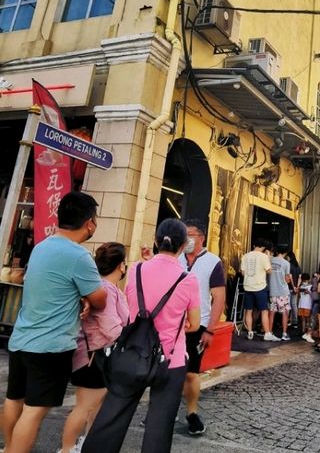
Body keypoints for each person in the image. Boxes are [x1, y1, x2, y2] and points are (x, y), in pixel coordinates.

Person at [82, 219, 200, 453]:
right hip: (170, 360)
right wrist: (177, 324)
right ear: (183, 245)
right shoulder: (188, 280)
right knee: (159, 426)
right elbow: (194, 324)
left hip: (132, 353)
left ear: (156, 241)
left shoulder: (135, 269)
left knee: (112, 417)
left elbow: (135, 305)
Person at [3, 192, 106, 453]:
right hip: (50, 347)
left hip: (21, 339)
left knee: (14, 401)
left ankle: (8, 447)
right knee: (33, 412)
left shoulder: (41, 246)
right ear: (89, 223)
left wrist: (78, 296)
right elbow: (101, 299)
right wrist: (86, 297)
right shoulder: (79, 256)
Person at [61, 242, 129, 453]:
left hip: (96, 356)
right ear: (121, 265)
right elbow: (112, 329)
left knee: (94, 408)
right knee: (85, 407)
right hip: (93, 357)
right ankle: (67, 449)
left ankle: (85, 445)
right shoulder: (105, 289)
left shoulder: (105, 287)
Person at [178, 218, 226, 437]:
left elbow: (218, 298)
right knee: (165, 371)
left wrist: (210, 329)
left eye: (191, 234)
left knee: (191, 372)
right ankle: (162, 410)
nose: (186, 239)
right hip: (171, 324)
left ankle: (191, 412)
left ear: (202, 237)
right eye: (183, 234)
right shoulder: (175, 257)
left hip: (197, 326)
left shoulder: (213, 262)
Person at [240, 239, 278, 342]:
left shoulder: (245, 256)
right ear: (263, 247)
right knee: (264, 311)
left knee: (248, 311)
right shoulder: (264, 257)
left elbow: (242, 272)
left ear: (254, 245)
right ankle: (267, 333)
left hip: (248, 286)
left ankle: (250, 331)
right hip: (260, 287)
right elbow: (269, 271)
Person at [268, 246, 293, 340]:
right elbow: (287, 279)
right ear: (285, 253)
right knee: (285, 312)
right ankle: (284, 333)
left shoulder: (270, 260)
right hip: (283, 291)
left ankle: (269, 332)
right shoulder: (286, 263)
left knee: (272, 312)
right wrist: (289, 279)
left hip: (272, 290)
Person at [286, 249, 301, 329]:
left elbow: (290, 277)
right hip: (295, 288)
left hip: (289, 288)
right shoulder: (297, 266)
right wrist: (297, 287)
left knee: (288, 305)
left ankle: (287, 320)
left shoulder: (289, 265)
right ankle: (295, 321)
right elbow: (300, 277)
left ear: (289, 257)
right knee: (294, 305)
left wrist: (293, 286)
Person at [298, 273, 313, 341]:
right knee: (304, 318)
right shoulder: (301, 286)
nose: (304, 282)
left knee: (305, 319)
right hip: (305, 304)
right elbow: (299, 295)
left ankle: (305, 331)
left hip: (305, 304)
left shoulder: (310, 286)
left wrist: (308, 292)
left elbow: (313, 295)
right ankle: (304, 331)